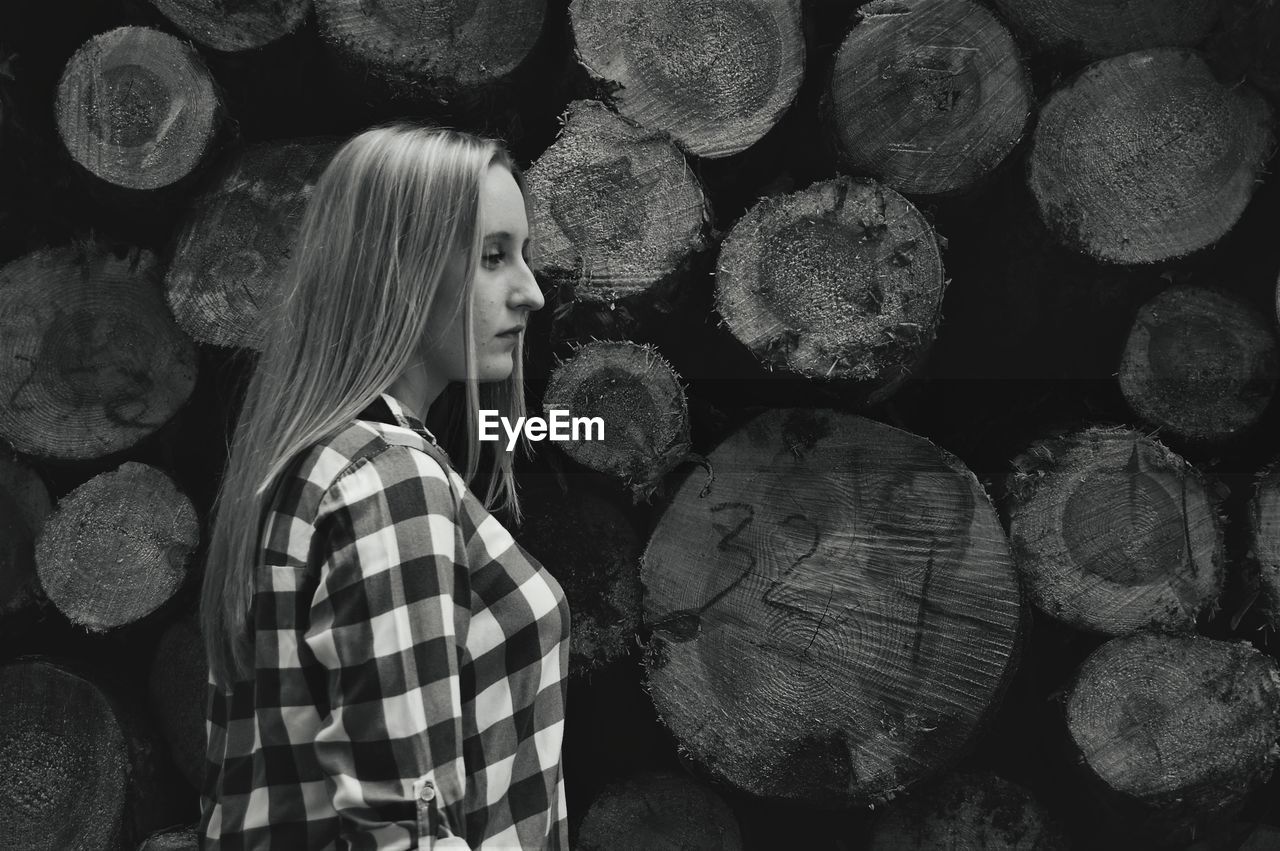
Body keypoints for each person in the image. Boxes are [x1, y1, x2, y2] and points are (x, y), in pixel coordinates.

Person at [198, 123, 568, 850]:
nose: (532, 291)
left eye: (522, 256)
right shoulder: (389, 481)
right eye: (494, 257)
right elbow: (407, 830)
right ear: (400, 267)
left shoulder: (309, 465)